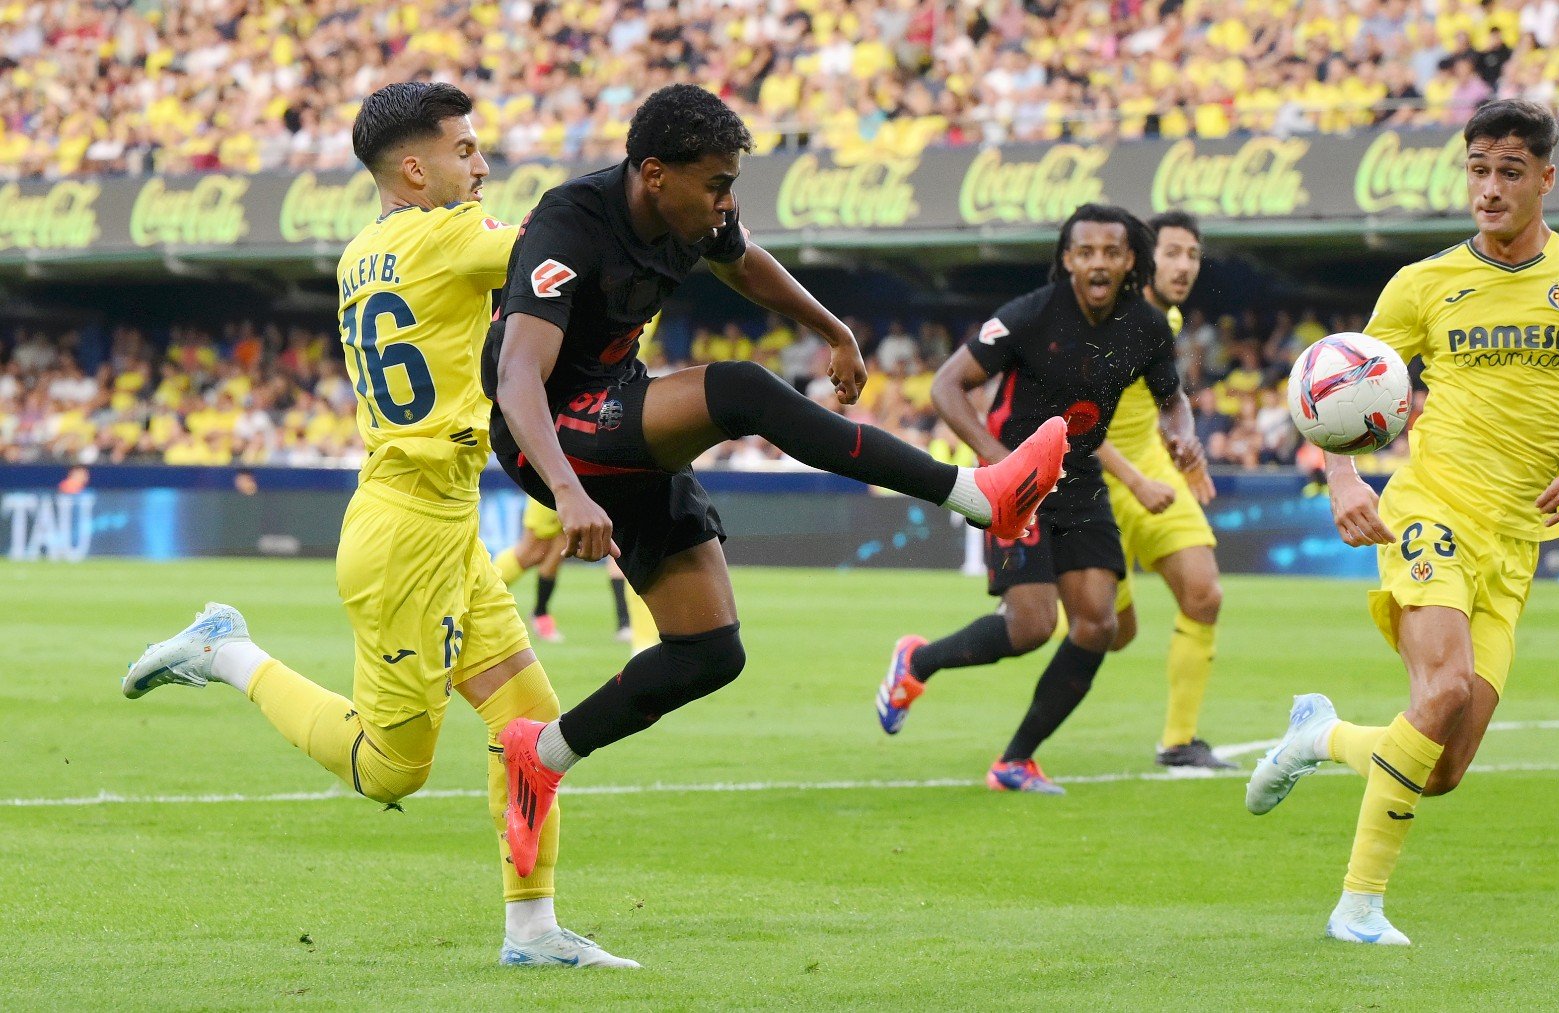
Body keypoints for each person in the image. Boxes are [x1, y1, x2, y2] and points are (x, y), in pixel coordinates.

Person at [485, 85, 1068, 884]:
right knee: (741, 390)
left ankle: (540, 756)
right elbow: (517, 377)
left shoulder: (697, 214)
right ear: (654, 174)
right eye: (717, 184)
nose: (729, 202)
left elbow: (744, 262)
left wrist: (833, 328)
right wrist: (568, 490)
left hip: (618, 421)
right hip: (546, 429)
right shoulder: (570, 221)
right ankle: (978, 495)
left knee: (708, 650)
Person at [122, 83, 636, 968]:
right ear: (414, 166)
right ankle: (224, 651)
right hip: (408, 538)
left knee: (528, 714)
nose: (482, 166)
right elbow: (557, 252)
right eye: (466, 150)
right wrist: (645, 198)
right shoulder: (444, 235)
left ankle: (532, 930)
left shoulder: (363, 250)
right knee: (392, 770)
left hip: (436, 519)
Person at [1244, 99, 1559, 946]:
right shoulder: (1422, 284)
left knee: (1443, 768)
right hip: (1429, 511)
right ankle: (1357, 906)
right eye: (1478, 169)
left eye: (1511, 171)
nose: (1491, 187)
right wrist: (1341, 476)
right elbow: (1339, 386)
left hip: (1515, 544)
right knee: (1438, 692)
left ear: (1546, 178)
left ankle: (1320, 736)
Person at [875, 204, 1201, 794]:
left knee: (1098, 624)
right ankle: (916, 662)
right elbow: (949, 385)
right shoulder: (1029, 314)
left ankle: (1015, 762)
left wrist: (1183, 431)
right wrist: (998, 461)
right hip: (1016, 480)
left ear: (1132, 261)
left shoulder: (1147, 328)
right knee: (1030, 626)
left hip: (1079, 481)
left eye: (1112, 252)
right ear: (1068, 259)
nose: (1099, 262)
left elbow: (1170, 396)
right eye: (1086, 252)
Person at [1093, 210, 1235, 771]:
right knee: (1111, 632)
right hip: (1095, 480)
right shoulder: (1101, 316)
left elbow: (1166, 398)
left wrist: (1184, 447)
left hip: (1153, 467)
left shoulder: (1167, 318)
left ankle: (1180, 741)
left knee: (1205, 594)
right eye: (1172, 253)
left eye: (1193, 256)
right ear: (1141, 259)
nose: (1183, 266)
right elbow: (1077, 417)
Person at [492, 497, 646, 645]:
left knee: (561, 545)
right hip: (553, 486)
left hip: (580, 487)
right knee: (533, 551)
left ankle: (540, 614)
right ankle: (479, 592)